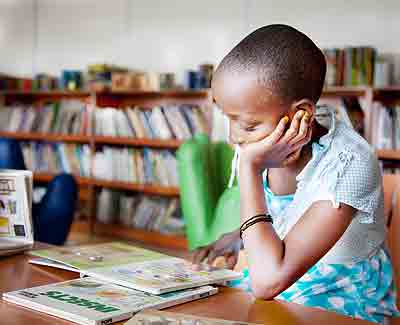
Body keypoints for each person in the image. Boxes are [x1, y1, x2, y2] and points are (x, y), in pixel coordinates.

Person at [193, 24, 399, 324]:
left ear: (301, 113)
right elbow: (291, 216)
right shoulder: (270, 144)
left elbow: (267, 282)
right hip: (286, 283)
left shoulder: (349, 163)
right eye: (229, 119)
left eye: (248, 125)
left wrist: (249, 169)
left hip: (344, 300)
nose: (234, 137)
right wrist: (237, 236)